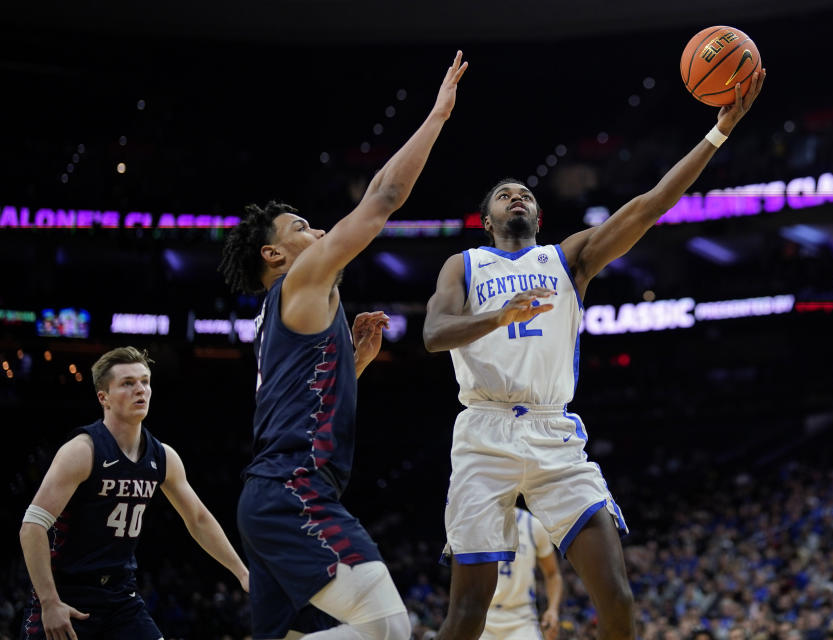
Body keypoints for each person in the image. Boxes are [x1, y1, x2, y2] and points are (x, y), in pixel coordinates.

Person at [423, 69, 766, 640]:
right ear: (487, 221)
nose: (519, 196)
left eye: (526, 194)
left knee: (618, 597)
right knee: (466, 614)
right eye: (506, 195)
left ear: (539, 217)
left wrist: (719, 131)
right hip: (483, 434)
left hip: (555, 433)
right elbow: (434, 335)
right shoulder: (464, 264)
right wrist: (500, 316)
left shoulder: (568, 260)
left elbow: (651, 205)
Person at [217, 51, 467, 640]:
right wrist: (437, 117)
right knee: (387, 628)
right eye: (301, 227)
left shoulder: (279, 316)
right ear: (273, 256)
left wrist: (351, 364)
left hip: (272, 495)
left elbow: (296, 401)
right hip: (293, 490)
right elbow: (381, 200)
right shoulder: (300, 282)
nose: (321, 231)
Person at [19, 346, 249, 640]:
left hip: (121, 595)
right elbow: (32, 527)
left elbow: (199, 519)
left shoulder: (163, 456)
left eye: (145, 381)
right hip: (67, 593)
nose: (140, 389)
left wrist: (243, 574)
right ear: (104, 398)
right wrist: (50, 603)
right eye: (128, 383)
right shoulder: (82, 451)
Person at [481, 508, 562, 640]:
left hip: (522, 620)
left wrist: (553, 609)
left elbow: (552, 574)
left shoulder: (533, 525)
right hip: (482, 617)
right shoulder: (479, 523)